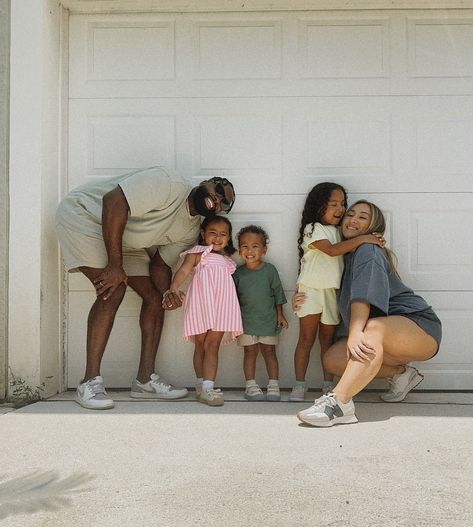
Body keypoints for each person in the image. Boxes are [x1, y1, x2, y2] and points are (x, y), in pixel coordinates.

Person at [56, 166, 235, 410]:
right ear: (205, 182)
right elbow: (113, 201)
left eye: (221, 202)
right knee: (113, 288)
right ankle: (89, 382)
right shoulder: (168, 182)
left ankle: (144, 381)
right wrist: (115, 265)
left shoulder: (191, 230)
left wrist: (168, 293)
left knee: (154, 299)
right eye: (216, 191)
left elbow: (160, 265)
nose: (215, 200)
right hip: (85, 218)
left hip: (123, 240)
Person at [297, 200, 442, 427]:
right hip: (385, 332)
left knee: (373, 329)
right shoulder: (341, 254)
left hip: (418, 325)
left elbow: (363, 296)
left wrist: (355, 332)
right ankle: (401, 374)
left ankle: (339, 403)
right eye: (350, 214)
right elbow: (320, 282)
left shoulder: (368, 250)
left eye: (362, 217)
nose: (353, 219)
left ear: (373, 227)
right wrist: (302, 295)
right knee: (332, 360)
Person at [289, 183, 385, 402]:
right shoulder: (313, 229)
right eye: (333, 204)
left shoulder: (341, 232)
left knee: (327, 342)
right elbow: (331, 251)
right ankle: (299, 385)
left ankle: (327, 386)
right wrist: (364, 238)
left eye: (342, 204)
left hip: (333, 294)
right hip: (310, 292)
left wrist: (369, 239)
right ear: (319, 206)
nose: (340, 209)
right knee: (306, 339)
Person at [166, 215, 242, 407]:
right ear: (203, 234)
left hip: (222, 306)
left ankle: (209, 387)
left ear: (229, 238)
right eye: (213, 233)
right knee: (200, 344)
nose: (218, 238)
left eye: (223, 234)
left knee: (212, 345)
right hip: (201, 303)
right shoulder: (197, 254)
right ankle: (201, 385)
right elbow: (183, 271)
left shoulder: (228, 260)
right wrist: (174, 287)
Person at [233, 225, 288, 402]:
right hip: (246, 322)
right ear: (239, 248)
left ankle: (273, 385)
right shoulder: (237, 273)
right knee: (249, 353)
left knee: (269, 352)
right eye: (245, 246)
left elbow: (278, 294)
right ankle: (250, 386)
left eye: (255, 246)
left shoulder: (270, 270)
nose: (249, 251)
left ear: (264, 249)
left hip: (268, 320)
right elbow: (232, 300)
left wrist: (280, 315)